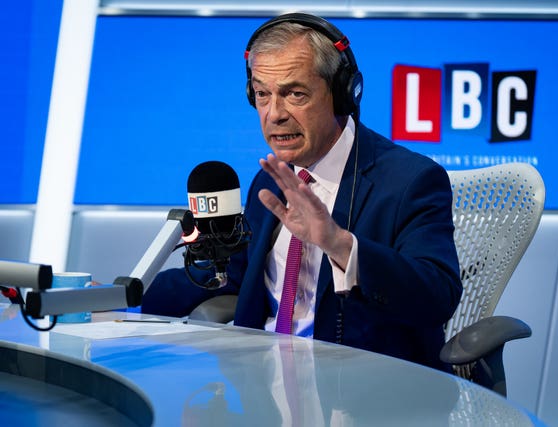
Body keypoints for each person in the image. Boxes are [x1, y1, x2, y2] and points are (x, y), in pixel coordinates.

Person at [142, 12, 462, 371]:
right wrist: (123, 295)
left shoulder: (411, 181)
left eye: (295, 94)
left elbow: (437, 297)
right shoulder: (271, 180)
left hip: (362, 393)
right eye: (262, 94)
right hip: (262, 387)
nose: (274, 114)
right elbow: (234, 273)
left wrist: (340, 244)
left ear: (343, 94)